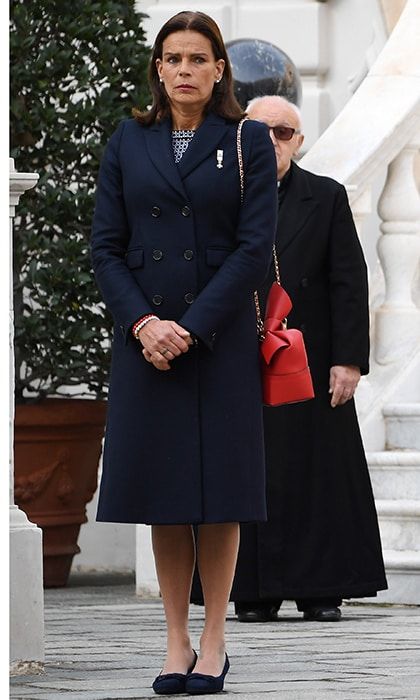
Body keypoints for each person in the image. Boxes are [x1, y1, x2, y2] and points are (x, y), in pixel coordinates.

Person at [90, 12, 277, 695]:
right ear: (158, 68)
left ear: (220, 68)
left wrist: (190, 328)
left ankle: (215, 640)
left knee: (219, 497)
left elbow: (253, 249)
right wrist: (144, 323)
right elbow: (106, 246)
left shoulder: (246, 140)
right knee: (166, 498)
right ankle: (175, 642)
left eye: (200, 58)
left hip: (217, 341)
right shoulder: (128, 141)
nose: (186, 69)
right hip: (146, 348)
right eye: (173, 58)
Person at [191, 94, 387, 622]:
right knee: (247, 472)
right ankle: (252, 592)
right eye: (263, 130)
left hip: (312, 361)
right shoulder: (214, 197)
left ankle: (322, 589)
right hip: (236, 356)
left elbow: (350, 281)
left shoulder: (325, 197)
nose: (274, 141)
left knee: (317, 472)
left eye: (285, 132)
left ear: (298, 141)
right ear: (244, 137)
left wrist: (349, 360)